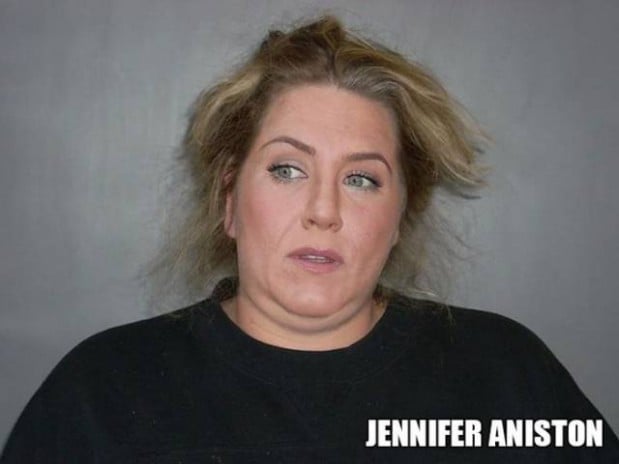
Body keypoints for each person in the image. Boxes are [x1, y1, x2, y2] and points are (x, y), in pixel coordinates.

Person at [2, 15, 618, 463]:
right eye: (287, 170)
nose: (324, 211)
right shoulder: (100, 394)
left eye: (361, 179)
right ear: (228, 200)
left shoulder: (507, 375)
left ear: (400, 217)